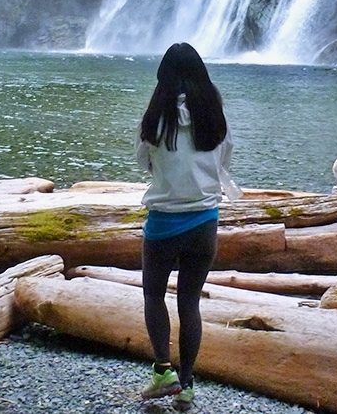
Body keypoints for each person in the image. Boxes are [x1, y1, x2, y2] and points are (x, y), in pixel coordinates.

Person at [135, 42, 240, 411]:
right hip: (205, 223)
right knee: (189, 302)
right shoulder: (217, 119)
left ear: (163, 79)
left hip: (164, 221)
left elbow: (144, 162)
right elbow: (224, 160)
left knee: (153, 295)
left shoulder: (153, 120)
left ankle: (163, 369)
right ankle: (188, 384)